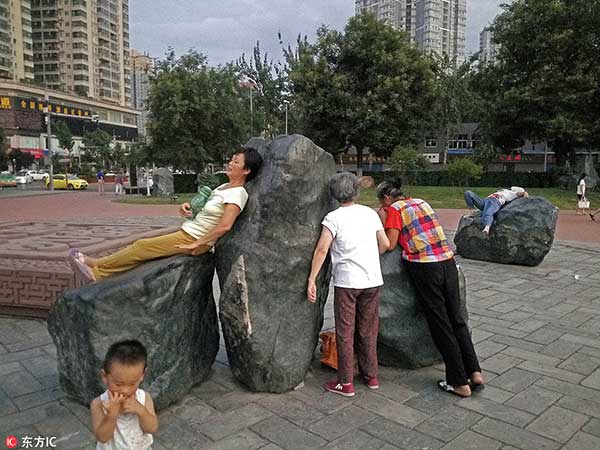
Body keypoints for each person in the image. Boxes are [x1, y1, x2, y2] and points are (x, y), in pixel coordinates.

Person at [68, 146, 263, 283]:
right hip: (189, 231)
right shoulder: (223, 187)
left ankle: (98, 270)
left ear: (246, 170)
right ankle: (99, 269)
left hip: (194, 239)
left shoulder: (238, 193)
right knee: (143, 247)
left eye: (235, 162)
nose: (230, 163)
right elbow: (207, 213)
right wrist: (188, 208)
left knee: (141, 246)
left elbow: (225, 225)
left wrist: (198, 243)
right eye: (231, 159)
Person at [378, 179, 484, 398]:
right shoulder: (421, 202)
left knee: (440, 322)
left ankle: (458, 382)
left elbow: (389, 243)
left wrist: (382, 219)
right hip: (447, 263)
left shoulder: (395, 210)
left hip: (425, 267)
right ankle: (474, 371)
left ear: (387, 199)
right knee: (456, 318)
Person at [307, 172, 389, 397]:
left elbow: (322, 248)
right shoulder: (370, 213)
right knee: (368, 328)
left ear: (334, 194)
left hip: (347, 282)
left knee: (346, 330)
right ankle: (371, 375)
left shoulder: (333, 218)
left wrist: (312, 278)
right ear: (356, 191)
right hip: (372, 279)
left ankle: (346, 382)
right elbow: (385, 243)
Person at [91, 339, 157, 450]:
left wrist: (141, 410)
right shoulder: (98, 404)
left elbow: (152, 428)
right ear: (104, 376)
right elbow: (102, 438)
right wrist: (111, 414)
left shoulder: (144, 398)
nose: (125, 390)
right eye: (118, 384)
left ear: (142, 375)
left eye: (132, 383)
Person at [463, 186, 529, 234]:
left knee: (488, 213)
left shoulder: (512, 193)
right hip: (485, 201)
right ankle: (472, 211)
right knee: (468, 193)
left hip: (495, 201)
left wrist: (524, 193)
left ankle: (487, 228)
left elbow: (520, 193)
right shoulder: (503, 190)